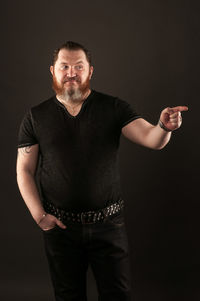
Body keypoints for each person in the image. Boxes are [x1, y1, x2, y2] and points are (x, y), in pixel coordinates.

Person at [16, 41, 188, 301]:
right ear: (52, 70)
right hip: (60, 229)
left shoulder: (113, 108)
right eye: (64, 66)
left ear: (90, 71)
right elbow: (24, 171)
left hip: (109, 225)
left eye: (78, 66)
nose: (71, 73)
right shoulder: (36, 117)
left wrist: (164, 127)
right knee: (67, 296)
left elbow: (152, 139)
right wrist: (40, 216)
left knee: (117, 296)